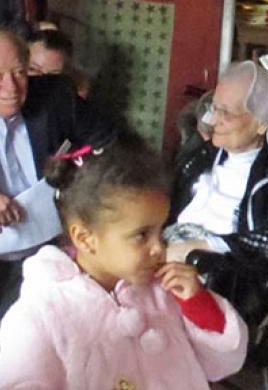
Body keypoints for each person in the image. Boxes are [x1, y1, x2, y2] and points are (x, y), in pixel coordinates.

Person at [0, 137, 248, 389]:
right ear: (85, 239)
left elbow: (222, 365)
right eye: (141, 235)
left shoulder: (167, 291)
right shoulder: (41, 315)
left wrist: (198, 305)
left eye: (160, 231)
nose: (159, 248)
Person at [168, 61, 268, 317]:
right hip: (171, 253)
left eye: (227, 113)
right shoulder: (200, 157)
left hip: (221, 275)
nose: (214, 120)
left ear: (262, 123)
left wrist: (204, 245)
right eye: (214, 108)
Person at [0, 29, 113, 318]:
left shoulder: (55, 96)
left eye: (20, 72)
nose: (11, 87)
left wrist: (77, 175)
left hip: (53, 249)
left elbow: (110, 142)